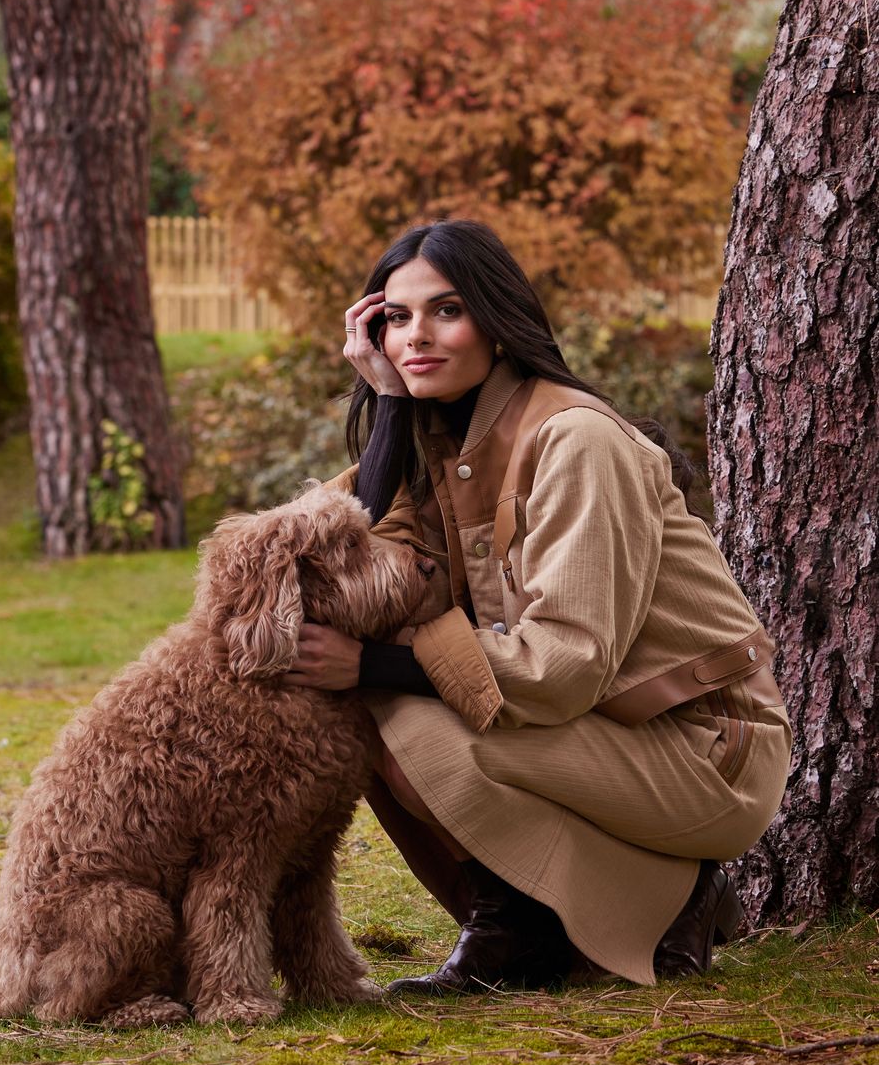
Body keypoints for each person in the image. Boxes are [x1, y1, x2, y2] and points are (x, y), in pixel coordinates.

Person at [286, 220, 792, 994]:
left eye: (446, 310)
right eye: (395, 317)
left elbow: (564, 666)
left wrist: (374, 663)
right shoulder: (436, 441)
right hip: (599, 730)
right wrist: (387, 405)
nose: (415, 335)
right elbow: (345, 555)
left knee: (400, 711)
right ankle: (527, 930)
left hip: (702, 747)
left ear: (496, 320)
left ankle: (657, 900)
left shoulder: (577, 439)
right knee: (374, 706)